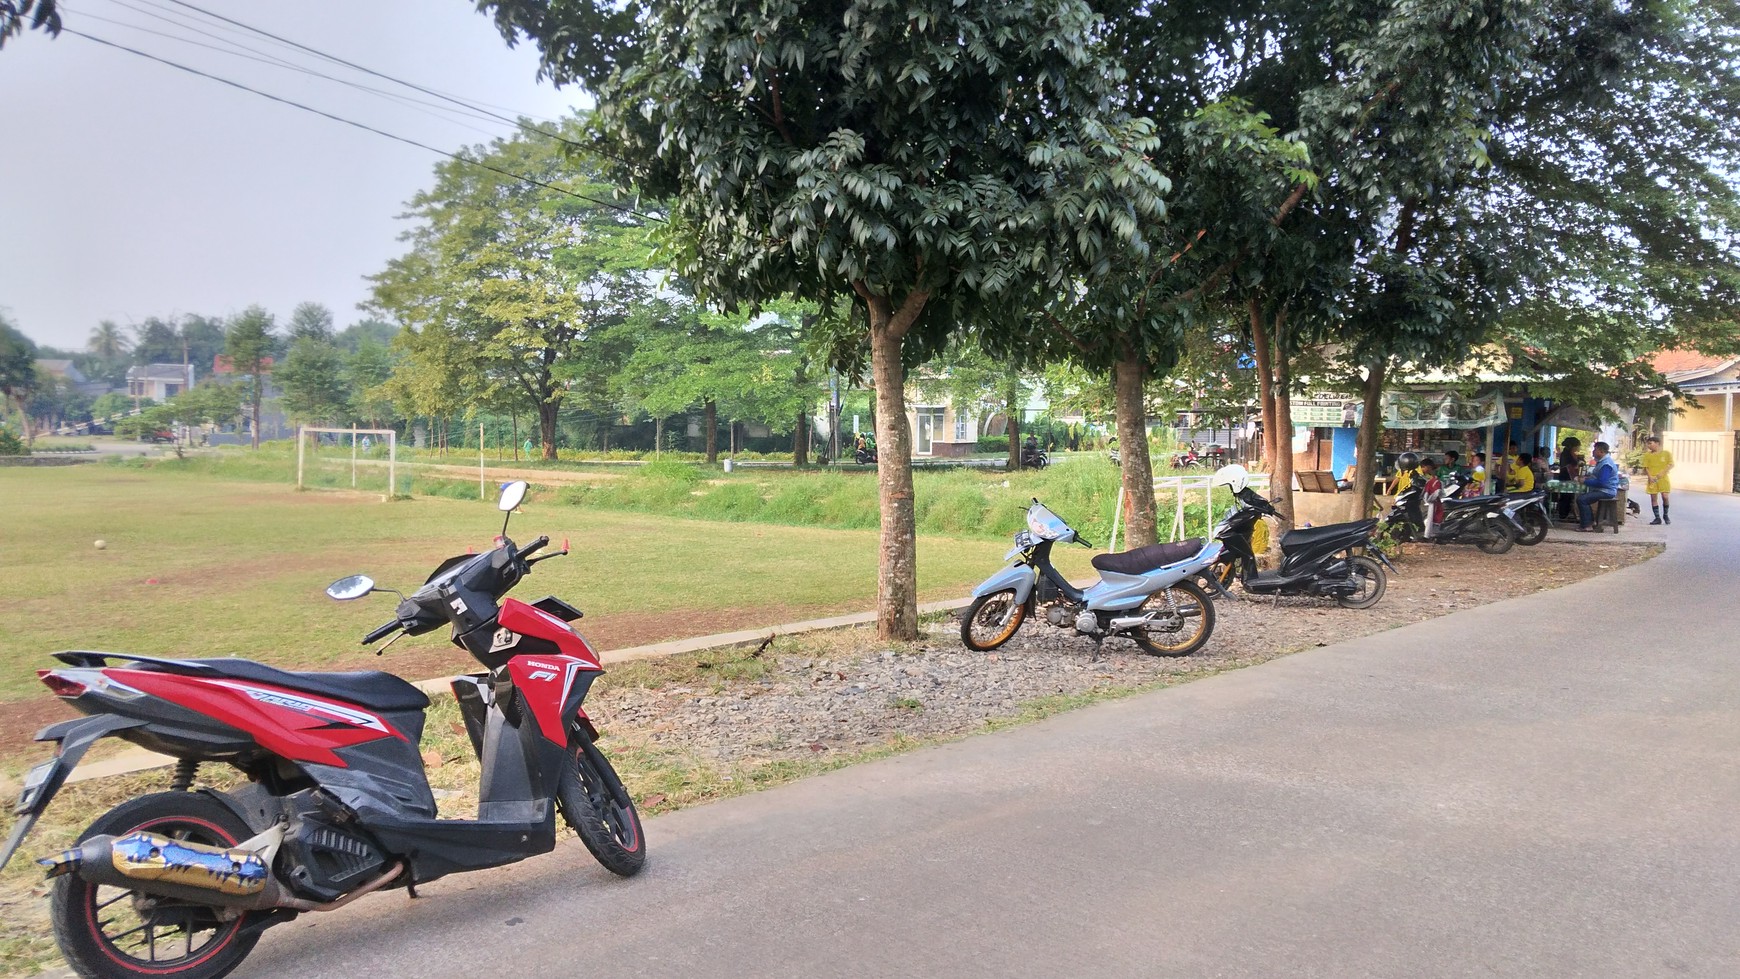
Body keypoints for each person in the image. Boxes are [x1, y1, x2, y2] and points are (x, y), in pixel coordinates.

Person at [1575, 441, 1620, 531]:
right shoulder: (1602, 462)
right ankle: (1591, 522)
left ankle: (1587, 525)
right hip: (1602, 490)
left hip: (1607, 491)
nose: (1593, 451)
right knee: (1583, 498)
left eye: (1595, 449)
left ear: (1601, 451)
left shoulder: (1606, 464)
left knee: (1582, 499)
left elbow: (1602, 482)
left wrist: (1585, 481)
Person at [1640, 435, 1674, 524]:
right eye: (1648, 444)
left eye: (1650, 443)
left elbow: (1671, 464)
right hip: (1652, 479)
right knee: (1653, 498)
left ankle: (1665, 515)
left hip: (1663, 478)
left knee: (1665, 496)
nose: (1649, 446)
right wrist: (1650, 477)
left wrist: (1662, 473)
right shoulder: (1647, 455)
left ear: (1657, 443)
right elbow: (1646, 467)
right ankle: (1657, 517)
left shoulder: (1666, 453)